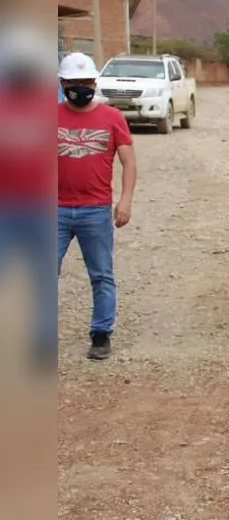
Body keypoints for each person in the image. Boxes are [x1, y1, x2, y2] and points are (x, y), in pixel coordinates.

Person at [57, 52, 137, 360]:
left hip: (96, 210)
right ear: (62, 84)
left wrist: (125, 200)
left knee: (101, 274)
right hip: (55, 209)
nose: (80, 87)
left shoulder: (112, 117)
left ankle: (101, 334)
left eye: (85, 81)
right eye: (73, 82)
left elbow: (128, 162)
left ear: (94, 82)